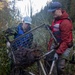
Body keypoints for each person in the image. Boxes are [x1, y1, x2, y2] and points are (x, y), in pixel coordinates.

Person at [45, 1, 73, 75]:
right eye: (51, 11)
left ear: (59, 9)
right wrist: (50, 28)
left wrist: (58, 53)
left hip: (65, 46)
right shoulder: (55, 20)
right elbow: (56, 30)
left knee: (60, 67)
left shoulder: (65, 22)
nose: (52, 13)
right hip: (57, 44)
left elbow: (66, 41)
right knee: (48, 60)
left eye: (53, 11)